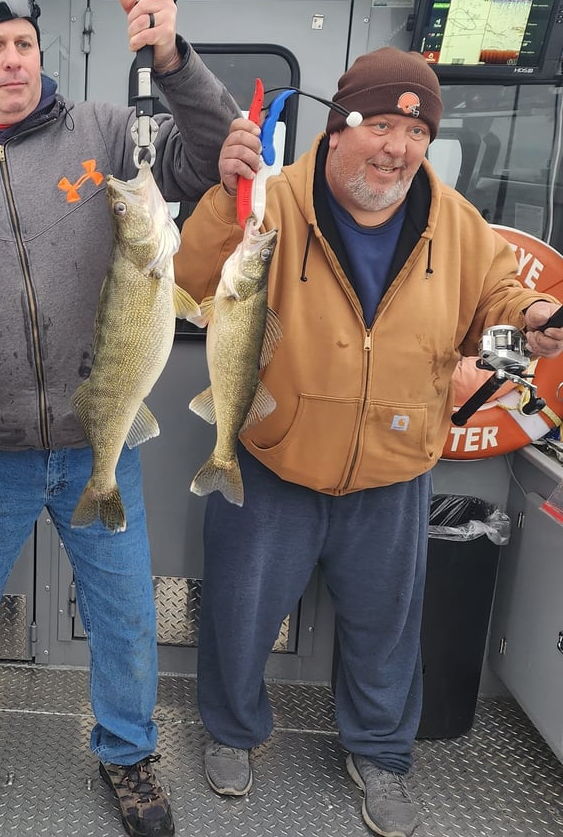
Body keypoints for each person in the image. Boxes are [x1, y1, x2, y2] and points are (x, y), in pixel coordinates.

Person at [0, 0, 240, 837]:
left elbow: (207, 160)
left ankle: (129, 754)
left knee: (124, 617)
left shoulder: (108, 128)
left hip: (96, 442)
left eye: (25, 46)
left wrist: (175, 59)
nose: (14, 61)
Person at [173, 46, 563, 837]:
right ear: (340, 127)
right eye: (381, 124)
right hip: (275, 451)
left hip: (393, 464)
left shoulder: (453, 219)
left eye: (415, 133)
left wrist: (529, 317)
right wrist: (224, 194)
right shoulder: (274, 199)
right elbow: (191, 275)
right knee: (241, 614)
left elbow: (498, 288)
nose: (397, 148)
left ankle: (381, 753)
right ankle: (233, 730)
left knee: (386, 628)